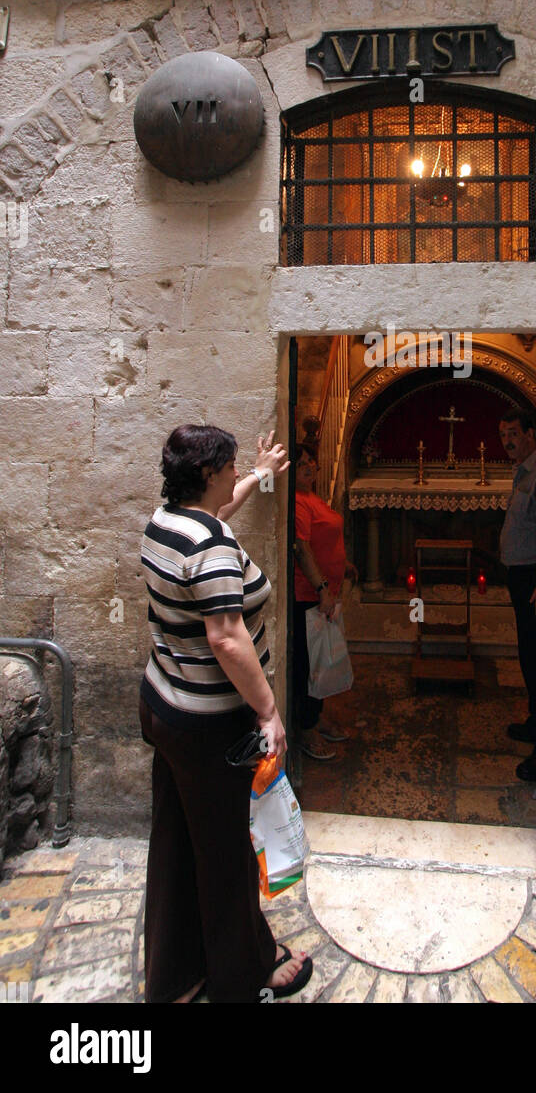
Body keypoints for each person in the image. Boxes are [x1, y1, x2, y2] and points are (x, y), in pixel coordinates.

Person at [139, 423, 313, 1004]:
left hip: (165, 706)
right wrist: (268, 712)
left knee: (177, 843)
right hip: (211, 725)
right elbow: (226, 637)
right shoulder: (210, 547)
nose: (237, 474)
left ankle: (176, 976)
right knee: (227, 855)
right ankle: (244, 973)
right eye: (234, 467)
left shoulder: (169, 522)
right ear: (210, 474)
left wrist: (263, 473)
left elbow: (218, 516)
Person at [293, 441, 358, 761]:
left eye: (312, 461)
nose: (309, 466)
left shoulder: (311, 497)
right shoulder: (297, 502)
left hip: (322, 593)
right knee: (309, 665)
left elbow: (323, 540)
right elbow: (302, 549)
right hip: (308, 595)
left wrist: (342, 565)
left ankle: (315, 719)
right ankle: (305, 730)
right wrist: (322, 588)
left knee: (321, 662)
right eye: (302, 462)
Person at [498, 407, 536, 783]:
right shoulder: (523, 471)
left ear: (530, 433)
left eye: (513, 433)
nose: (508, 441)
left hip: (534, 579)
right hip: (522, 574)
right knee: (527, 653)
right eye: (503, 435)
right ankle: (534, 720)